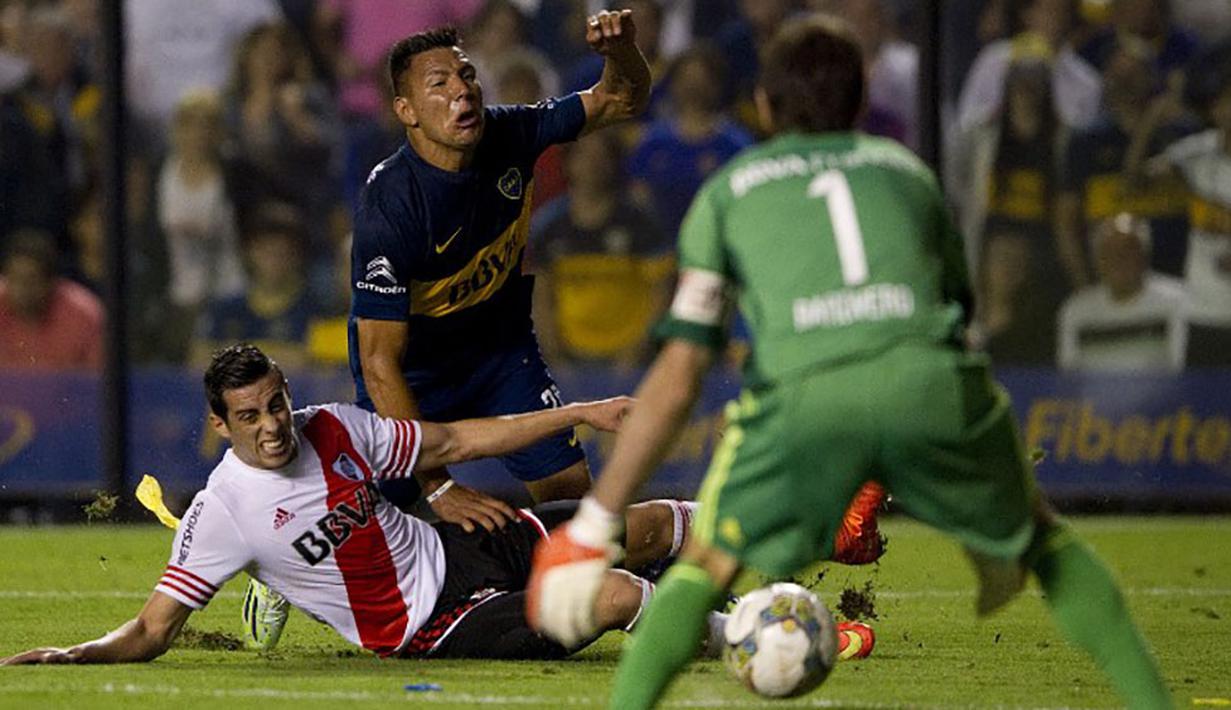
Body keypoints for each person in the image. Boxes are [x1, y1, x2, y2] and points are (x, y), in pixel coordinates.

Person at [525, 16, 1172, 709]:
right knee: (1048, 546)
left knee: (707, 565)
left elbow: (681, 371)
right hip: (933, 388)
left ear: (765, 106)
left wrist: (594, 523)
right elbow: (954, 313)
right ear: (861, 104)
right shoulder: (908, 176)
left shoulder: (731, 190)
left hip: (805, 399)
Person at [0, 343, 724, 664]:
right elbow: (153, 629)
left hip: (465, 550)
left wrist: (585, 410)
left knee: (657, 521)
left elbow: (457, 440)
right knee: (616, 596)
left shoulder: (335, 425)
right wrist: (74, 653)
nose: (273, 425)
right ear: (220, 425)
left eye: (276, 404)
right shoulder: (220, 511)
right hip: (433, 625)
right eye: (249, 416)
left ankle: (822, 542)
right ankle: (750, 634)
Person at [348, 11, 650, 534]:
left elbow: (621, 99)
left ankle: (576, 605)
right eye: (438, 84)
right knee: (359, 529)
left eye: (466, 75)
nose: (462, 91)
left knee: (572, 510)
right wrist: (438, 484)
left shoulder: (512, 131)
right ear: (407, 111)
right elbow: (379, 361)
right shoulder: (390, 206)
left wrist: (621, 52)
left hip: (501, 356)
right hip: (414, 374)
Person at [1056, 213, 1188, 372]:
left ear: (1144, 256)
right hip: (1095, 397)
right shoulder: (1076, 309)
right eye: (1109, 253)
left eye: (1128, 250)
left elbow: (1180, 371)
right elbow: (1068, 378)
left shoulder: (1177, 301)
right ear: (1098, 261)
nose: (1118, 259)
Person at [0, 228, 103, 370]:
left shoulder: (85, 315)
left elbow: (98, 380)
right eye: (14, 279)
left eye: (31, 280)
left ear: (51, 282)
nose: (21, 289)